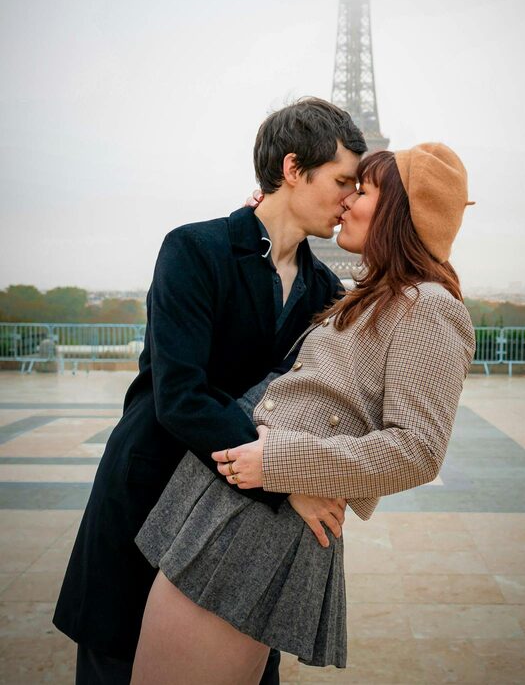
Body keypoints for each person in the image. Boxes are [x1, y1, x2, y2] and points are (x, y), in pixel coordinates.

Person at [131, 143, 476, 685]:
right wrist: (266, 215)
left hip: (256, 527)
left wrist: (278, 463)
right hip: (241, 511)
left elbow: (419, 451)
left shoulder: (429, 307)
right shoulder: (369, 296)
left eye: (363, 191)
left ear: (399, 213)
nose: (347, 201)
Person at [53, 97, 367, 685]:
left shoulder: (325, 289)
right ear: (293, 169)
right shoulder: (193, 249)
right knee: (118, 666)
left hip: (232, 526)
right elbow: (181, 398)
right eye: (343, 180)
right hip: (151, 491)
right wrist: (285, 475)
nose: (350, 198)